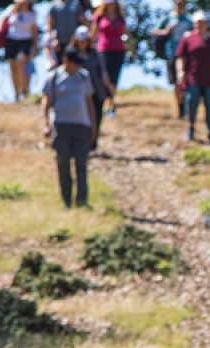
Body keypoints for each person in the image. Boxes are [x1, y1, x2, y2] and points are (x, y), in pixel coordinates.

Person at [42, 49, 98, 209]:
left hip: (82, 125)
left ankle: (82, 201)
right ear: (66, 60)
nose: (78, 66)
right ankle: (67, 201)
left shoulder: (83, 76)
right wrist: (45, 124)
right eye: (75, 63)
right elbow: (46, 101)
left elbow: (89, 102)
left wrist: (94, 126)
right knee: (63, 164)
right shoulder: (54, 77)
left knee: (81, 164)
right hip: (61, 125)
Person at [175, 10, 210, 143]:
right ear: (194, 24)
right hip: (193, 77)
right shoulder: (187, 38)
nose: (200, 25)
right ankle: (191, 128)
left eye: (203, 22)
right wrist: (180, 71)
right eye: (198, 22)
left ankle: (209, 133)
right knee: (192, 103)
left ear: (207, 23)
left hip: (209, 78)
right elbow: (180, 56)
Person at [66, 25, 114, 149]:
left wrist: (106, 85)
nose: (83, 43)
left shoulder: (94, 53)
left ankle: (92, 142)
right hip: (78, 90)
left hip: (96, 89)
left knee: (96, 115)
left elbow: (102, 70)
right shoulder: (72, 53)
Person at [150, 0, 193, 118]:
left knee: (187, 82)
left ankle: (187, 107)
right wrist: (165, 32)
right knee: (176, 82)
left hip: (187, 55)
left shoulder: (190, 20)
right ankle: (181, 109)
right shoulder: (167, 18)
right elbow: (154, 31)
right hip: (172, 53)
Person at [90, 0, 127, 117]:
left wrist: (132, 47)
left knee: (114, 78)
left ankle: (110, 103)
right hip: (103, 50)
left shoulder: (120, 18)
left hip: (118, 50)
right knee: (106, 78)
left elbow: (126, 33)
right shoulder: (99, 17)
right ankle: (107, 102)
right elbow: (93, 34)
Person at [0, 0, 40, 101]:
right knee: (13, 67)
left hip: (25, 41)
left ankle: (24, 90)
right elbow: (2, 24)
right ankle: (17, 92)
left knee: (21, 63)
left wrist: (35, 46)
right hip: (11, 41)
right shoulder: (11, 10)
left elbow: (34, 31)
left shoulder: (31, 15)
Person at [46, 0, 89, 66]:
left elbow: (82, 19)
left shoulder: (75, 4)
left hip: (74, 42)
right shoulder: (54, 5)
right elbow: (49, 25)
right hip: (59, 43)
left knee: (76, 64)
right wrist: (53, 40)